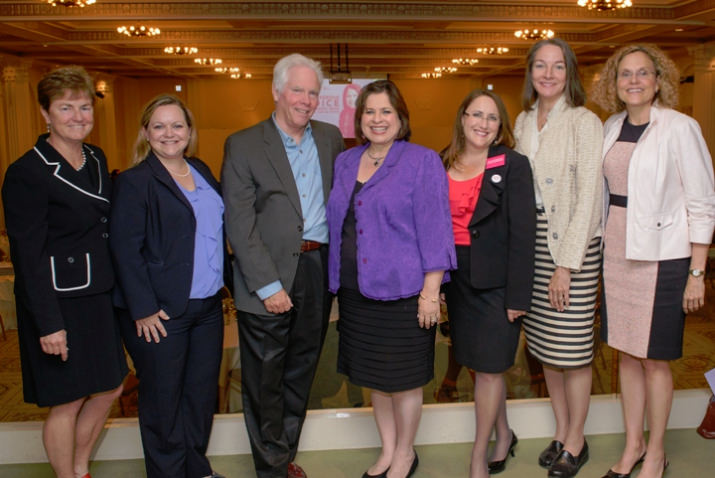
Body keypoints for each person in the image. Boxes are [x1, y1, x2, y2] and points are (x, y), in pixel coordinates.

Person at [592, 44, 715, 478]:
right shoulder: (609, 126)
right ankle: (633, 446)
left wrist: (696, 273)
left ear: (659, 80)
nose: (635, 81)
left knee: (655, 358)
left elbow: (702, 204)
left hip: (664, 257)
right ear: (615, 83)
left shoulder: (681, 128)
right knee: (626, 354)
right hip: (618, 249)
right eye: (626, 74)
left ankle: (657, 452)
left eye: (644, 73)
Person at [222, 53, 344, 478]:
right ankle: (270, 469)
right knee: (264, 379)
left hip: (316, 270)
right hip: (268, 276)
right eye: (298, 90)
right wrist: (268, 285)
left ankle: (283, 455)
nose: (306, 100)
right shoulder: (244, 143)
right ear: (276, 91)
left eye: (313, 92)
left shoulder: (330, 138)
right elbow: (240, 224)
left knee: (301, 370)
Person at [326, 79, 457, 478]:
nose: (378, 119)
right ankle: (386, 449)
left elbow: (436, 228)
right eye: (370, 112)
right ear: (358, 119)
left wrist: (430, 293)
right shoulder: (346, 161)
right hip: (355, 292)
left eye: (387, 111)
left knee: (404, 380)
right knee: (373, 378)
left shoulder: (421, 161)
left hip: (404, 292)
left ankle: (405, 453)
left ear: (401, 118)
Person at [1, 65, 127, 478]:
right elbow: (27, 256)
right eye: (66, 107)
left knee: (111, 386)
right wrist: (48, 323)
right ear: (45, 113)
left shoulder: (96, 156)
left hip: (98, 295)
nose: (78, 116)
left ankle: (78, 468)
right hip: (57, 301)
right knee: (68, 398)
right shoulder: (27, 172)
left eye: (85, 107)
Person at [110, 94, 226, 478]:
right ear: (146, 132)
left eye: (177, 125)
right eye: (158, 126)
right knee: (163, 403)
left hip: (208, 309)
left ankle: (196, 468)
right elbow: (125, 250)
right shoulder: (134, 181)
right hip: (160, 312)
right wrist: (142, 307)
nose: (169, 133)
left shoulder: (202, 170)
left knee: (199, 397)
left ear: (189, 131)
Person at [513, 38, 603, 478]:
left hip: (572, 246)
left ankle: (578, 439)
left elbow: (588, 196)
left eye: (557, 67)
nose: (548, 74)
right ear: (530, 73)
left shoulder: (585, 121)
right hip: (533, 247)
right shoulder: (524, 120)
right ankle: (563, 430)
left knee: (573, 349)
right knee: (547, 349)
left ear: (570, 73)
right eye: (540, 66)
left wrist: (567, 264)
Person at [442, 89, 536, 478]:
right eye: (476, 114)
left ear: (501, 127)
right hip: (456, 279)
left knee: (493, 368)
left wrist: (518, 294)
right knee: (479, 368)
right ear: (462, 118)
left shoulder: (512, 164)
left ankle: (478, 454)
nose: (483, 123)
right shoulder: (440, 160)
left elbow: (524, 233)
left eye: (492, 118)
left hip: (497, 283)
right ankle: (503, 432)